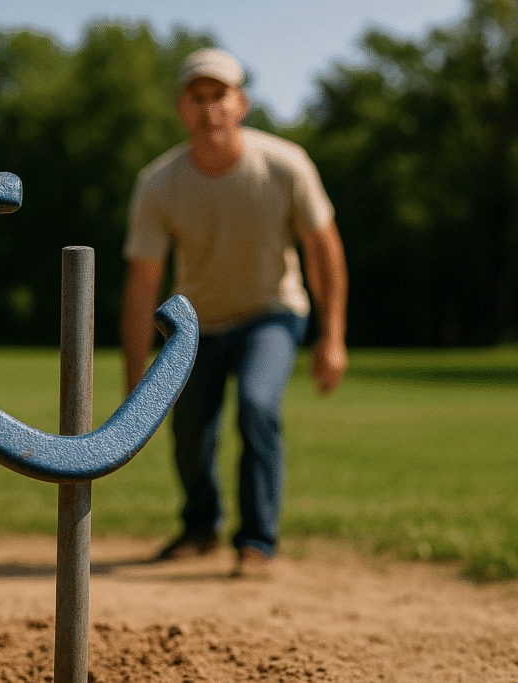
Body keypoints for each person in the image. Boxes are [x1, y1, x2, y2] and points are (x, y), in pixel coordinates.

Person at [120, 48, 348, 578]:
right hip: (196, 324)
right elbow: (141, 284)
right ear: (180, 108)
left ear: (241, 103)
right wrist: (137, 378)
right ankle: (201, 527)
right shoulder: (159, 183)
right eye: (196, 98)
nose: (208, 110)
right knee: (189, 429)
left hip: (272, 312)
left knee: (256, 405)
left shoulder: (285, 164)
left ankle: (256, 541)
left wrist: (332, 337)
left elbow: (324, 249)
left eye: (219, 96)